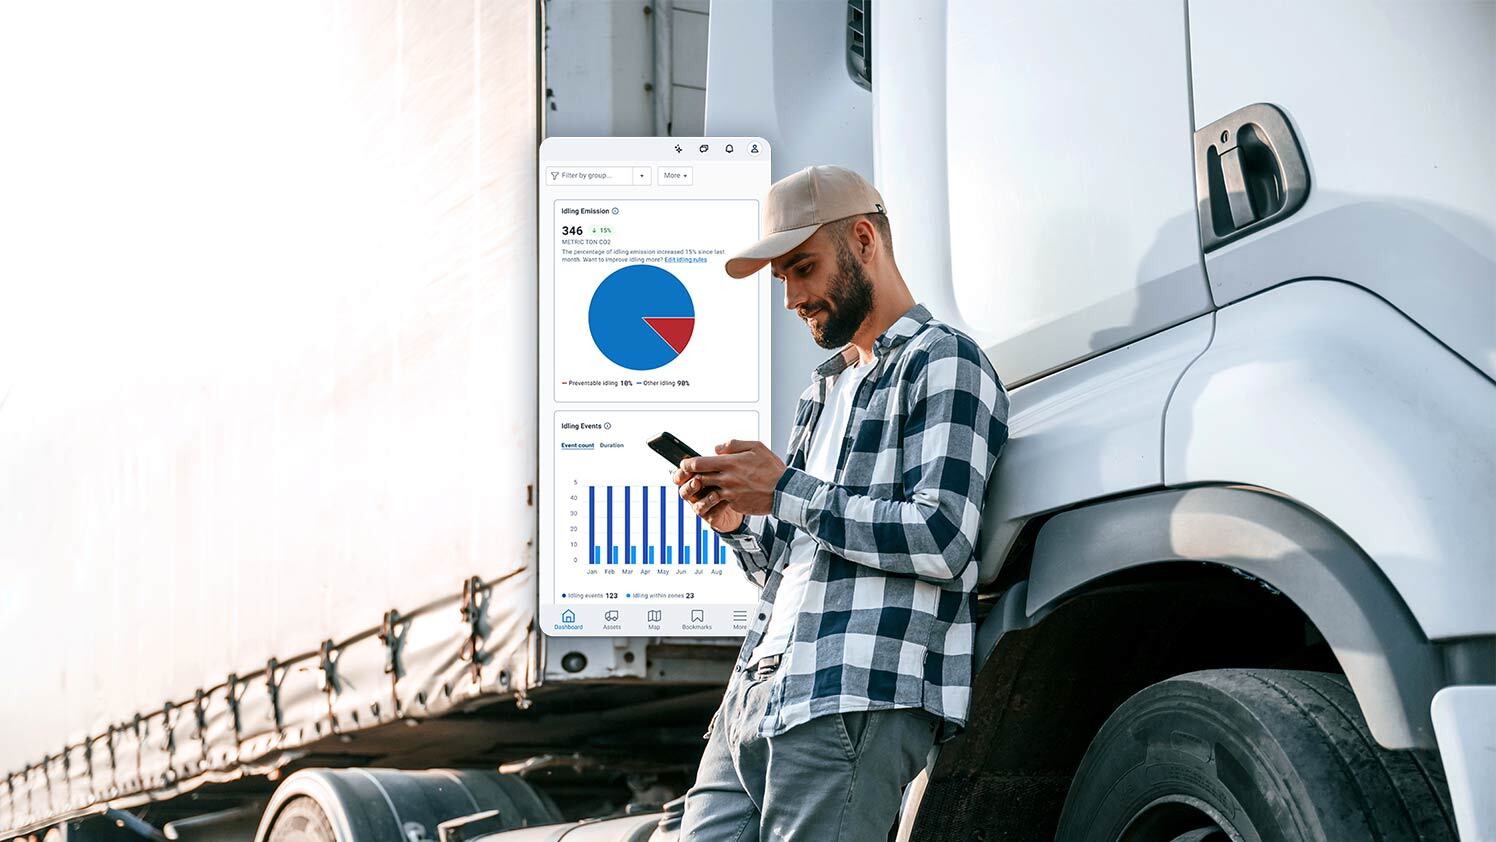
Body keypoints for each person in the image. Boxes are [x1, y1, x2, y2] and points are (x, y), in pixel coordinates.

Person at [674, 165, 1009, 840]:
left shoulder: (942, 362)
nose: (794, 296)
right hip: (756, 697)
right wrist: (740, 522)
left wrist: (788, 490)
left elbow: (941, 537)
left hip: (852, 697)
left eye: (804, 268)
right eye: (783, 280)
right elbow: (799, 561)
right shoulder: (821, 391)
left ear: (863, 240)